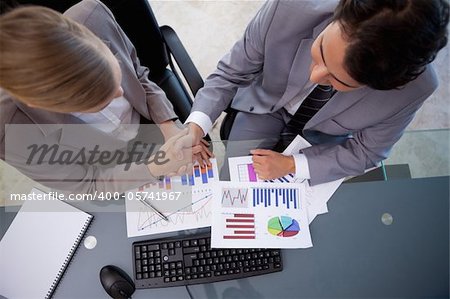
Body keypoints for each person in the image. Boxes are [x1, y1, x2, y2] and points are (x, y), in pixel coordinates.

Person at [179, 0, 449, 185]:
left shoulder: (414, 89)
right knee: (234, 187)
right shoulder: (290, 8)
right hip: (265, 107)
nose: (314, 76)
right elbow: (230, 73)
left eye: (338, 79)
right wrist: (196, 126)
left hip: (321, 140)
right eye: (320, 51)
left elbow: (368, 153)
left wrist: (293, 166)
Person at [0, 0, 209, 195]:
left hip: (149, 118)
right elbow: (89, 184)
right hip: (106, 166)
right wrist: (156, 166)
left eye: (115, 76)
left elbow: (139, 74)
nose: (119, 93)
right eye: (99, 100)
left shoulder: (93, 16)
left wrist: (168, 126)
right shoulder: (8, 133)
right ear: (41, 103)